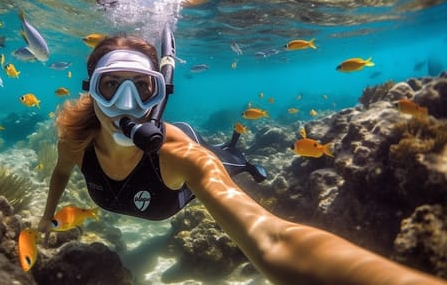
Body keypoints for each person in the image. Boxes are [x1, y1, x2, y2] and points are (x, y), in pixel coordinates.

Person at [38, 33, 446, 285]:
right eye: (110, 87)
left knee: (227, 159)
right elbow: (59, 172)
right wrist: (47, 216)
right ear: (90, 91)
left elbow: (273, 238)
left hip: (190, 169)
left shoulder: (180, 156)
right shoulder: (76, 139)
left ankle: (237, 152)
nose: (126, 104)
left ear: (160, 94)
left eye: (143, 88)